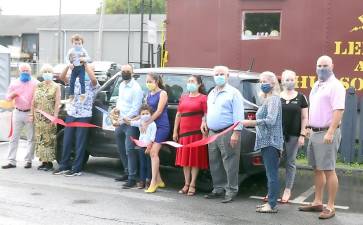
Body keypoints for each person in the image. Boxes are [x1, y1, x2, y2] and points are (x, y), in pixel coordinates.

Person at [298, 55, 345, 219]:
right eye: (319, 65)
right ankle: (317, 202)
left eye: (325, 65)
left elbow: (338, 110)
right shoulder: (317, 85)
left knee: (329, 170)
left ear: (332, 66)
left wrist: (331, 131)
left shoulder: (336, 86)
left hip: (326, 132)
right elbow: (315, 108)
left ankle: (330, 206)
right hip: (315, 132)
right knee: (317, 169)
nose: (322, 68)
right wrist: (309, 126)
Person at [241, 71, 283, 213]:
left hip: (271, 142)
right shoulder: (268, 99)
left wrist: (251, 122)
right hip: (266, 142)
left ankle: (271, 205)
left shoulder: (273, 100)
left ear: (272, 83)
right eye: (260, 82)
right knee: (270, 174)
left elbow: (271, 121)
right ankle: (270, 202)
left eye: (265, 81)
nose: (262, 84)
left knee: (272, 175)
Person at [202, 66, 244, 203]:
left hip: (228, 132)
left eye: (222, 74)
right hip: (212, 133)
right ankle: (218, 188)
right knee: (214, 162)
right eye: (217, 74)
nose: (219, 76)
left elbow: (239, 115)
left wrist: (236, 133)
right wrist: (204, 120)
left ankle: (231, 190)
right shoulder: (212, 92)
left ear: (227, 76)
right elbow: (208, 110)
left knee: (230, 162)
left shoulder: (234, 93)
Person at [52, 63, 99, 176]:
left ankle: (77, 169)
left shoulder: (93, 84)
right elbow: (62, 78)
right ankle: (63, 165)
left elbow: (93, 78)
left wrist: (86, 65)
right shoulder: (76, 80)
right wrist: (69, 66)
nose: (86, 71)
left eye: (89, 70)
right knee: (67, 140)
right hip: (72, 113)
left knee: (80, 142)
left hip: (84, 115)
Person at [173, 75, 208, 196]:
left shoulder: (204, 98)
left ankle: (193, 184)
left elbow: (206, 114)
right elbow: (178, 115)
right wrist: (175, 131)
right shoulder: (183, 97)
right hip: (183, 133)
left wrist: (204, 124)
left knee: (194, 160)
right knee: (185, 160)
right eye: (188, 81)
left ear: (199, 84)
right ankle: (186, 183)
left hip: (197, 133)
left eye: (192, 81)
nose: (190, 83)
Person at [280, 70, 309, 203]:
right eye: (287, 79)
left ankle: (287, 189)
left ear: (296, 80)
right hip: (278, 136)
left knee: (290, 162)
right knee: (274, 162)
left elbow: (304, 117)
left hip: (293, 135)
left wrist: (302, 134)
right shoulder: (277, 96)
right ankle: (272, 189)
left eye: (292, 79)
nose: (289, 82)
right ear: (283, 81)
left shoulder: (301, 97)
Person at [2, 63, 38, 169]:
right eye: (23, 70)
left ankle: (28, 160)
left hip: (30, 113)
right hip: (17, 112)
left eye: (27, 70)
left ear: (30, 71)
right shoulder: (14, 83)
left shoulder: (35, 83)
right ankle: (11, 161)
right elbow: (7, 97)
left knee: (31, 138)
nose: (25, 72)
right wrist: (11, 95)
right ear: (19, 71)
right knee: (14, 137)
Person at [114, 64, 143, 189]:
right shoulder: (121, 85)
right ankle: (126, 172)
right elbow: (120, 101)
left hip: (130, 123)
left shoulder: (136, 88)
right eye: (123, 71)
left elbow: (136, 108)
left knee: (129, 150)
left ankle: (132, 177)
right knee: (121, 148)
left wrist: (125, 119)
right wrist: (116, 110)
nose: (125, 73)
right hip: (120, 122)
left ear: (132, 73)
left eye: (127, 71)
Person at [142, 73, 170, 193]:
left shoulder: (162, 93)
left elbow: (159, 111)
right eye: (147, 81)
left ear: (156, 81)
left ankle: (153, 182)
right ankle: (159, 180)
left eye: (150, 81)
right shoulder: (148, 94)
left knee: (153, 152)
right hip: (152, 126)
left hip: (162, 126)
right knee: (149, 151)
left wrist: (147, 122)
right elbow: (145, 110)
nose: (148, 83)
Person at [31, 64, 61, 171]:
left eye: (49, 72)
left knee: (49, 139)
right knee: (40, 139)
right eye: (45, 72)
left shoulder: (56, 86)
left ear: (52, 74)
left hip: (49, 117)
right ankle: (43, 161)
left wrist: (55, 117)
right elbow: (33, 101)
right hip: (39, 117)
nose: (47, 74)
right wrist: (32, 114)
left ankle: (49, 163)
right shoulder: (39, 85)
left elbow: (57, 102)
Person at [127, 104, 157, 189]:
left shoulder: (152, 124)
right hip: (141, 146)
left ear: (151, 114)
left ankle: (148, 180)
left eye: (147, 113)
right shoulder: (140, 122)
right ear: (140, 115)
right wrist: (123, 119)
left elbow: (152, 137)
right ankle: (142, 180)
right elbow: (131, 122)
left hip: (148, 147)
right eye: (143, 114)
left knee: (148, 164)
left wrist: (149, 146)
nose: (145, 115)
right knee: (142, 164)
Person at [67, 34, 90, 102]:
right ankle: (71, 95)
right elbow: (66, 59)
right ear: (72, 43)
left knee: (81, 80)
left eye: (79, 43)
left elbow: (88, 58)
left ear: (82, 43)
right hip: (74, 68)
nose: (77, 45)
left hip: (81, 67)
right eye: (75, 43)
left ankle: (83, 94)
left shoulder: (83, 50)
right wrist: (69, 64)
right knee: (72, 81)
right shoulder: (71, 50)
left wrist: (84, 59)